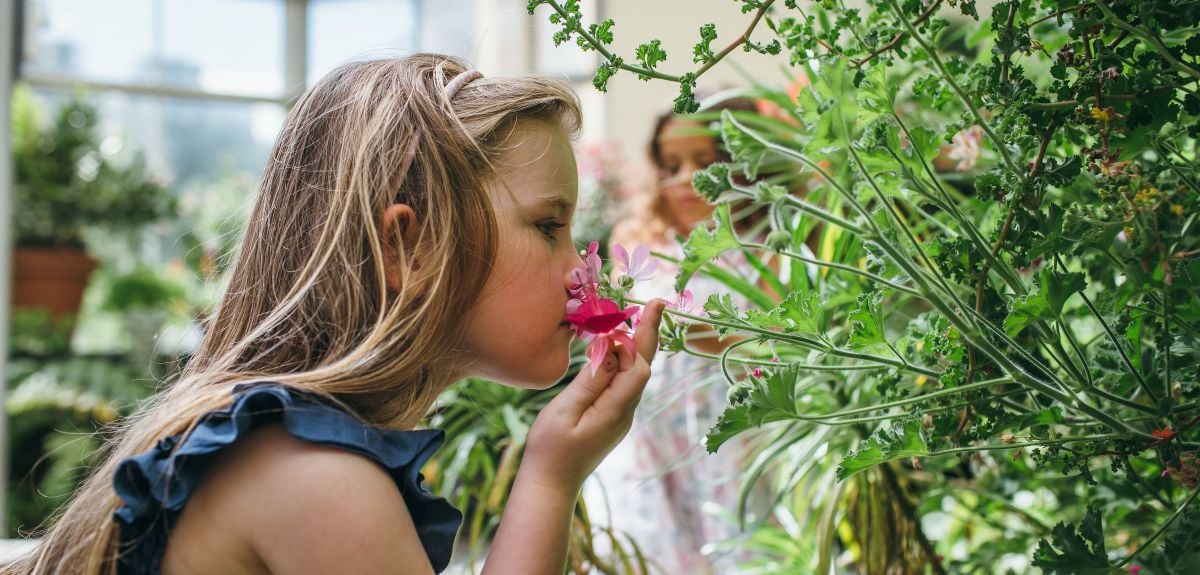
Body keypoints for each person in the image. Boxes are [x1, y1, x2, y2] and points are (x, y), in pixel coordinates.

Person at [5, 54, 666, 575]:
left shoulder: (289, 447)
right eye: (549, 224)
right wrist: (551, 479)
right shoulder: (315, 475)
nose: (583, 270)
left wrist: (554, 465)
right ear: (407, 247)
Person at [587, 98, 773, 575]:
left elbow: (778, 342)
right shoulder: (637, 236)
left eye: (706, 163)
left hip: (728, 426)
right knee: (656, 546)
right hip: (650, 425)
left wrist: (706, 335)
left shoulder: (766, 248)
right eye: (671, 165)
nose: (685, 178)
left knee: (735, 538)